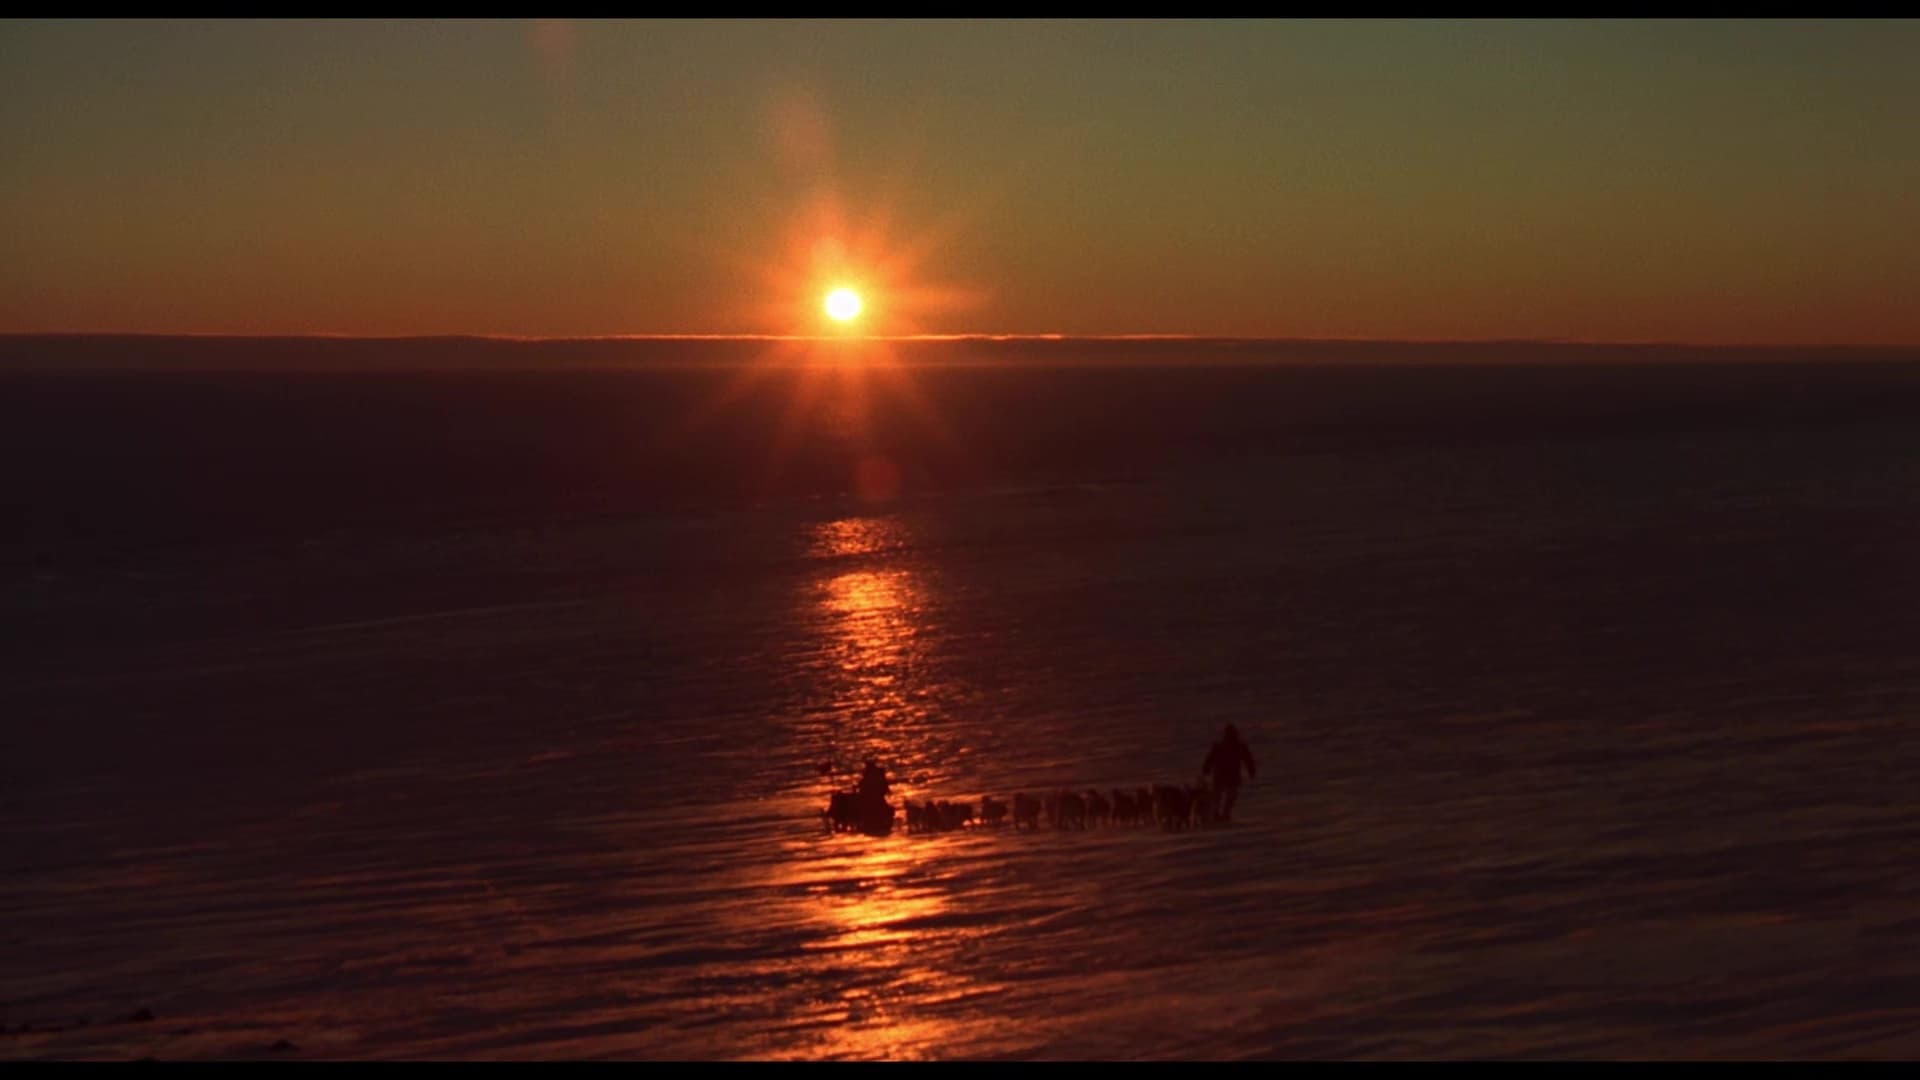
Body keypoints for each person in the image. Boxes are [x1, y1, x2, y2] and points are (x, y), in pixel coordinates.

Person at [1201, 724, 1256, 821]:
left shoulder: (1226, 746)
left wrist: (1206, 769)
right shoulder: (1235, 746)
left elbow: (1209, 759)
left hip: (1224, 775)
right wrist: (1251, 770)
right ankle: (1221, 813)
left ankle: (1220, 813)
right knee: (1226, 795)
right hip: (1228, 776)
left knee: (1222, 795)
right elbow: (1248, 760)